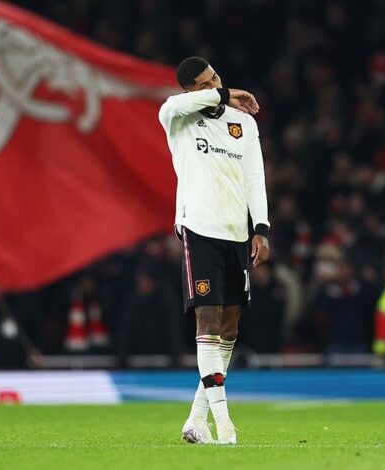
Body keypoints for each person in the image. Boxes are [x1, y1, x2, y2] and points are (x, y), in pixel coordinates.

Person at [158, 57, 270, 445]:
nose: (215, 86)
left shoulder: (244, 125)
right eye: (204, 84)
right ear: (191, 91)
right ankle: (225, 425)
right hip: (199, 230)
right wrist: (223, 93)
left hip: (236, 235)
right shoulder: (179, 118)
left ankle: (196, 419)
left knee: (229, 330)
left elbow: (254, 177)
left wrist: (261, 229)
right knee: (206, 325)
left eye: (217, 77)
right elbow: (172, 104)